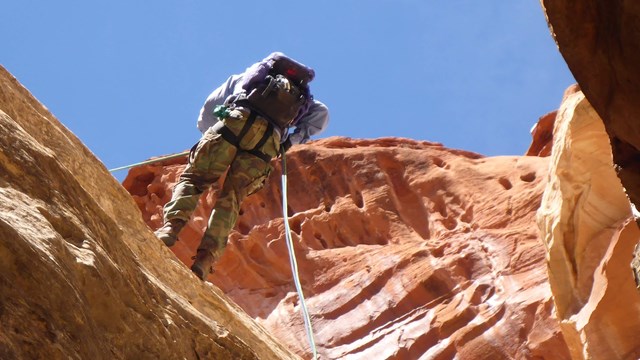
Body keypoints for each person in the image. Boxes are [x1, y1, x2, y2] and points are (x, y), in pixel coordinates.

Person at [155, 52, 329, 280]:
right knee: (232, 199)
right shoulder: (302, 98)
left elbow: (209, 109)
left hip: (234, 122)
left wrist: (210, 131)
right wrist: (288, 142)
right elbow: (322, 115)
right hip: (266, 143)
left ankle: (171, 228)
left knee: (194, 179)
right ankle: (204, 261)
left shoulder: (247, 77)